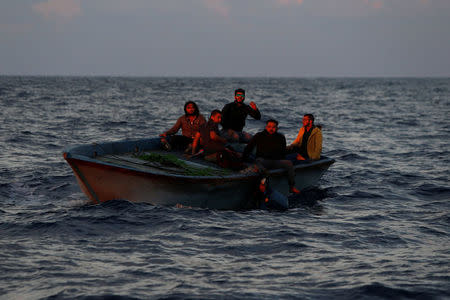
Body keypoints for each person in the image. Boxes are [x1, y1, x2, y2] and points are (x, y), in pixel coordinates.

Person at [243, 119, 300, 194]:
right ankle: (262, 186)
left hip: (275, 161)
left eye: (273, 127)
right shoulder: (259, 135)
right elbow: (249, 148)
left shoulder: (281, 137)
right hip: (263, 160)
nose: (271, 129)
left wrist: (295, 153)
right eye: (269, 127)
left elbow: (283, 152)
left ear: (277, 128)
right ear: (266, 127)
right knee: (260, 165)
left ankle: (291, 187)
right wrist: (243, 159)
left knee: (289, 163)